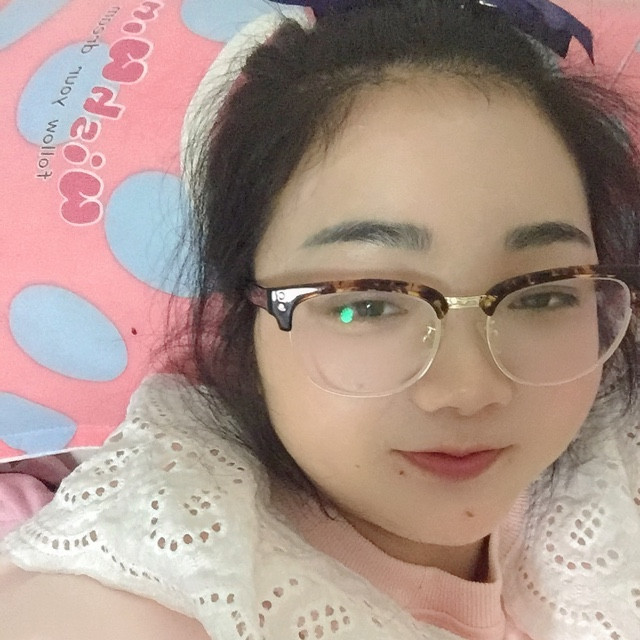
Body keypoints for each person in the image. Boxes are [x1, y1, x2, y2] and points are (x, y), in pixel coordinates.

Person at [1, 1, 639, 638]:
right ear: (245, 314)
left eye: (541, 294)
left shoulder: (612, 452)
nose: (471, 390)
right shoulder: (154, 585)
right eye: (368, 302)